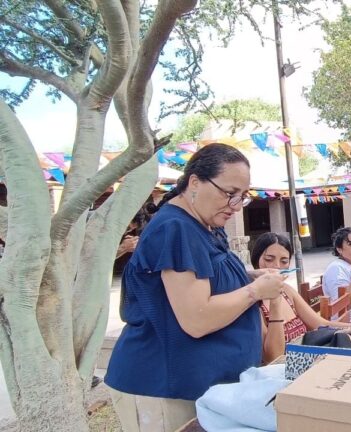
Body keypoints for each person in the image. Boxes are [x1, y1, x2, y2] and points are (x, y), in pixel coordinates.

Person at [105, 143, 286, 432]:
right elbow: (197, 318)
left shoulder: (206, 225)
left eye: (242, 196)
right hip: (164, 387)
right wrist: (255, 291)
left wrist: (249, 276)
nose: (235, 205)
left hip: (199, 386)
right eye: (229, 193)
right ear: (194, 182)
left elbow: (204, 277)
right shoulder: (175, 228)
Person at [250, 232, 351, 364]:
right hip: (289, 368)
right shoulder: (253, 302)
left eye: (284, 261)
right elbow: (273, 358)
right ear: (256, 260)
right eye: (269, 259)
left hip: (313, 357)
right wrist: (275, 301)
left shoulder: (287, 291)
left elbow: (320, 324)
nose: (277, 266)